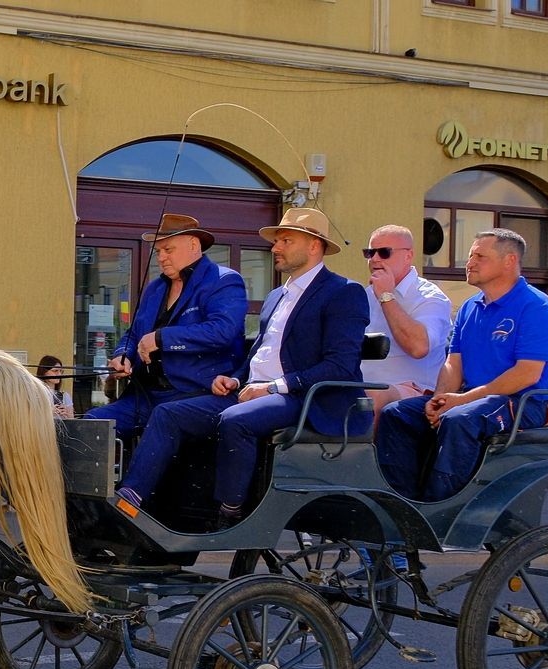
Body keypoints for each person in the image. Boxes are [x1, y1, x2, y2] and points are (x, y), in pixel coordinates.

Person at [114, 208, 368, 529]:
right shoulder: (278, 295)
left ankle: (230, 513)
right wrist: (234, 379)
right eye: (277, 241)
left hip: (306, 398)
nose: (275, 248)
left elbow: (340, 366)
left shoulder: (343, 292)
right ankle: (130, 500)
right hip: (255, 392)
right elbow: (260, 353)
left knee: (236, 421)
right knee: (170, 414)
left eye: (286, 240)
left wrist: (274, 387)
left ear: (314, 246)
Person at [377, 228, 548, 502]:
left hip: (522, 402)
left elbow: (526, 374)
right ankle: (400, 504)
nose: (469, 263)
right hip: (472, 398)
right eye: (470, 255)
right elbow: (454, 363)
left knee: (458, 420)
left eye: (479, 256)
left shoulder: (536, 306)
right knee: (397, 413)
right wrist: (439, 398)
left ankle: (440, 509)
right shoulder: (469, 307)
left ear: (509, 261)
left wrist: (461, 400)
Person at [85, 213, 246, 438]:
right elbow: (134, 333)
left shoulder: (223, 280)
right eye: (158, 251)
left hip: (193, 392)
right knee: (91, 425)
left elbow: (221, 331)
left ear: (193, 245)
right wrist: (124, 356)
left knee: (162, 419)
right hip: (145, 395)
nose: (161, 257)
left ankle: (134, 476)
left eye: (168, 250)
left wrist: (161, 338)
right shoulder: (155, 288)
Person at [359, 225, 452, 414]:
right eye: (370, 253)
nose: (375, 259)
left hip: (416, 391)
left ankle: (372, 445)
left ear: (408, 256)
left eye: (384, 252)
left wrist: (386, 296)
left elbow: (418, 347)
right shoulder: (364, 295)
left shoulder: (430, 297)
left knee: (372, 397)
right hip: (362, 385)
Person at [36, 354, 74, 419]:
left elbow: (72, 420)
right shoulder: (36, 395)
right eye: (55, 371)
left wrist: (66, 414)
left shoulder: (64, 395)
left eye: (61, 371)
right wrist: (48, 412)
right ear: (44, 372)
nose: (59, 374)